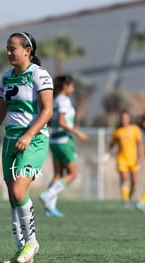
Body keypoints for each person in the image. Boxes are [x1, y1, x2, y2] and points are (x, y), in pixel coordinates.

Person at [0, 32, 53, 263]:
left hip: (34, 140)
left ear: (27, 50)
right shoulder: (6, 77)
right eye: (7, 48)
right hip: (10, 141)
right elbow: (0, 112)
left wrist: (29, 135)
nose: (9, 52)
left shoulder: (39, 75)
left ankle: (32, 242)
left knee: (19, 191)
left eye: (13, 48)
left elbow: (48, 110)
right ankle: (21, 250)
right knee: (13, 197)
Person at [39, 75, 88, 217]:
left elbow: (50, 121)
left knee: (58, 174)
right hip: (64, 141)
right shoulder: (64, 101)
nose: (73, 88)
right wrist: (77, 133)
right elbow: (61, 121)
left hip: (54, 140)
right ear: (65, 86)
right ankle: (48, 194)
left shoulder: (54, 100)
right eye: (71, 85)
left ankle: (50, 208)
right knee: (72, 174)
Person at [104, 110, 144, 208]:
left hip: (133, 159)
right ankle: (125, 200)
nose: (124, 120)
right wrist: (106, 155)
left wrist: (141, 155)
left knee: (134, 181)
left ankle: (129, 197)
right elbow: (112, 144)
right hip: (121, 159)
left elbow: (139, 143)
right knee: (124, 179)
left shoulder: (135, 129)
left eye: (125, 118)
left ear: (129, 119)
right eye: (122, 118)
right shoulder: (118, 131)